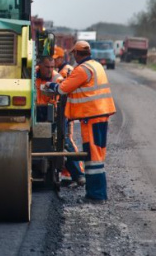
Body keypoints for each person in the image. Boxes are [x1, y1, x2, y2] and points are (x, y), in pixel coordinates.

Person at [47, 40, 116, 202]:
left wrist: (49, 85)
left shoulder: (82, 70)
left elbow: (63, 88)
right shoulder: (96, 65)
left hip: (91, 116)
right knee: (97, 154)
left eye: (74, 54)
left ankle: (95, 195)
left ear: (77, 54)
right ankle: (98, 194)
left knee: (93, 156)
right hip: (100, 113)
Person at [51, 46, 85, 187]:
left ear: (60, 58)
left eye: (54, 60)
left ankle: (78, 174)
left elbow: (64, 90)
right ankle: (72, 173)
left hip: (64, 111)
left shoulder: (65, 72)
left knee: (66, 141)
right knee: (64, 141)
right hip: (63, 111)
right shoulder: (63, 70)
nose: (52, 63)